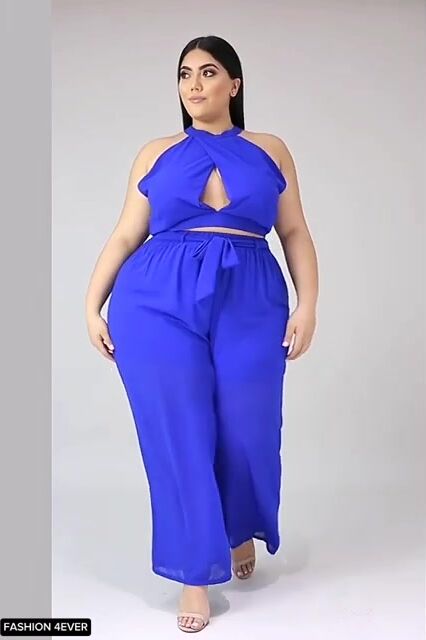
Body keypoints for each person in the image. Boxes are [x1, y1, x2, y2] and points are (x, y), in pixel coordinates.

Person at [85, 34, 318, 634]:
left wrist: (308, 304)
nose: (194, 84)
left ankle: (238, 527)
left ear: (234, 85)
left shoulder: (270, 149)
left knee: (247, 426)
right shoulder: (155, 153)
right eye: (185, 73)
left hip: (251, 298)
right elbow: (125, 234)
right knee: (179, 432)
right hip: (155, 300)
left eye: (208, 72)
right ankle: (194, 573)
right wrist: (92, 303)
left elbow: (294, 231)